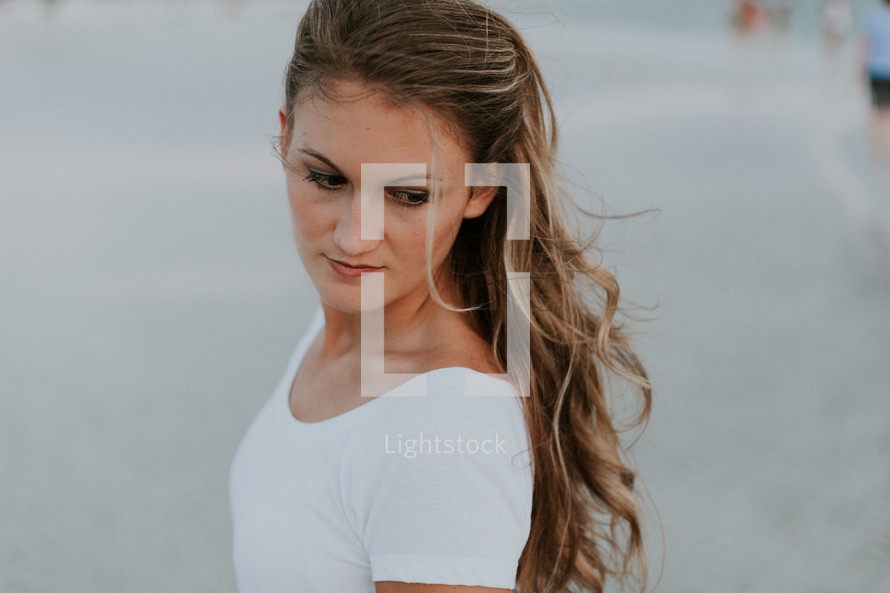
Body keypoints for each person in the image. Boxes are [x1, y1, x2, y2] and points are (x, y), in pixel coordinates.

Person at [229, 1, 653, 592]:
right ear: (284, 136)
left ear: (483, 187)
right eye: (326, 179)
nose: (353, 237)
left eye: (406, 195)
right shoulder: (350, 322)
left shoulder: (443, 435)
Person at [861, 0, 890, 162]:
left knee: (875, 112)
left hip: (877, 70)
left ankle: (877, 150)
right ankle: (886, 148)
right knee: (887, 114)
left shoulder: (873, 16)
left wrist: (860, 73)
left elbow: (866, 45)